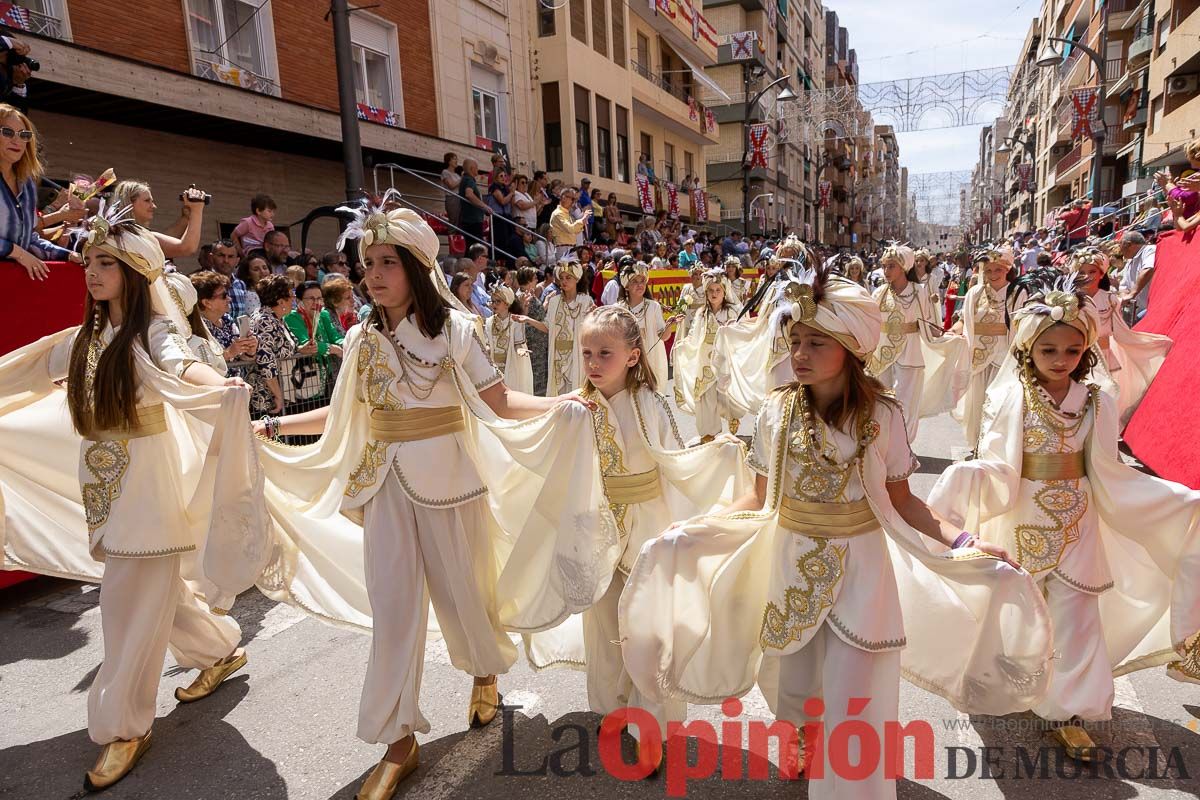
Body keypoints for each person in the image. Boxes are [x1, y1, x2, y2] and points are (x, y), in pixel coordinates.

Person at [621, 266, 1052, 800]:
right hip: (791, 564)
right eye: (795, 340)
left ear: (850, 348)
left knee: (856, 698)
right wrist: (698, 528)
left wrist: (963, 542)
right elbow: (758, 497)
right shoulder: (774, 413)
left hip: (863, 576)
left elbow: (902, 499)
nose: (799, 353)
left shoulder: (883, 417)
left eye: (816, 342)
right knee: (798, 685)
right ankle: (804, 738)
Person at [248, 203, 596, 798]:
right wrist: (276, 428)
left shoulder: (457, 332)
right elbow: (342, 414)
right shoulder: (360, 338)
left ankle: (484, 670)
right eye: (368, 263)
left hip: (450, 484)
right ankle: (398, 740)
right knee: (394, 611)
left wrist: (567, 405)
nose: (375, 274)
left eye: (388, 262)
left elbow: (501, 400)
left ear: (415, 266)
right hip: (382, 486)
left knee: (464, 594)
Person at [0, 211, 269, 790]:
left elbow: (183, 365)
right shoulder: (84, 339)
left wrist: (220, 387)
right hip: (104, 487)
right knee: (157, 596)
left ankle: (124, 725)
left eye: (105, 263)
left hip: (146, 491)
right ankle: (220, 650)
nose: (91, 272)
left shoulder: (153, 333)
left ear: (132, 271)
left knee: (122, 607)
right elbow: (22, 375)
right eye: (89, 262)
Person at [928, 274, 1200, 761]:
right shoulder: (1014, 398)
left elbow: (1108, 471)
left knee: (1077, 616)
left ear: (1086, 352)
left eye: (1072, 351)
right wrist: (964, 480)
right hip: (1021, 513)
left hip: (1079, 521)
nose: (1060, 360)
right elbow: (998, 462)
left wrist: (1175, 500)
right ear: (1028, 349)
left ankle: (1069, 714)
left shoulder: (1097, 400)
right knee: (1021, 607)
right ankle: (1016, 677)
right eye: (1049, 350)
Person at [522, 305, 750, 759]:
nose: (592, 362)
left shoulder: (651, 403)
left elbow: (675, 463)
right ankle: (613, 712)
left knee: (648, 629)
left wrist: (715, 458)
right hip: (595, 530)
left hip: (647, 525)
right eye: (587, 352)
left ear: (632, 355)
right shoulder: (574, 408)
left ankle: (652, 727)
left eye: (605, 352)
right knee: (605, 630)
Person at [866, 244, 966, 442]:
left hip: (910, 353)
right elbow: (870, 322)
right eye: (884, 266)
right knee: (880, 401)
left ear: (903, 267)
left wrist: (948, 336)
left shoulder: (918, 291)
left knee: (906, 403)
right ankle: (882, 441)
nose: (886, 271)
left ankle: (902, 444)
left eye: (891, 266)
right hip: (882, 355)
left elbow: (927, 322)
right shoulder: (879, 293)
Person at [1072, 247, 1172, 426]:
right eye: (1082, 271)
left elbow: (1120, 330)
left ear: (1102, 274)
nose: (1087, 275)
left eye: (1092, 271)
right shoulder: (1071, 299)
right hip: (1077, 355)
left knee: (1104, 394)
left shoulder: (1110, 299)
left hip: (1103, 356)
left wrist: (1150, 344)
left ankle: (1103, 432)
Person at [0, 104, 80, 278]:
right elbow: (22, 250)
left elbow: (29, 240)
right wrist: (19, 253)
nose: (17, 141)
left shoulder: (27, 183)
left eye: (24, 135)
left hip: (14, 283)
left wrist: (68, 255)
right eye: (7, 132)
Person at [950, 248, 1017, 452]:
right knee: (978, 405)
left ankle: (996, 447)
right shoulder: (975, 293)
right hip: (978, 357)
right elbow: (964, 320)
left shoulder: (1016, 293)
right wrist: (953, 332)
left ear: (1007, 269)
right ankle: (979, 445)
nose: (993, 274)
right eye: (988, 270)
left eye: (998, 269)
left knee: (1000, 404)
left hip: (1005, 357)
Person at [672, 268, 743, 442]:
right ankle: (708, 432)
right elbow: (693, 336)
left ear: (724, 291)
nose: (714, 293)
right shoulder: (701, 313)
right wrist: (683, 345)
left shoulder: (732, 312)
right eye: (710, 290)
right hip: (705, 360)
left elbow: (739, 333)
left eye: (718, 290)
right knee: (706, 396)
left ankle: (733, 416)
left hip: (726, 360)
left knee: (727, 394)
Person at [247, 275, 305, 416]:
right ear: (280, 301)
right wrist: (278, 395)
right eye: (292, 295)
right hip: (267, 398)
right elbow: (266, 362)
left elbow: (286, 346)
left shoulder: (276, 318)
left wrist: (302, 348)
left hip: (281, 389)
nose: (294, 299)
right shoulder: (265, 321)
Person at [112, 178, 207, 261]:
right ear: (129, 203)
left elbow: (165, 238)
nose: (153, 206)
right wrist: (197, 209)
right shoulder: (133, 237)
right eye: (147, 201)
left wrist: (187, 217)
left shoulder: (120, 234)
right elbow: (187, 248)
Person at [616, 262, 676, 389]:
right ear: (626, 286)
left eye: (642, 281)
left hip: (650, 360)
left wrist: (669, 324)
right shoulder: (619, 308)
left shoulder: (653, 306)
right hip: (626, 360)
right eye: (635, 281)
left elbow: (663, 337)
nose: (640, 285)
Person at [542, 259, 595, 395]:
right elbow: (547, 327)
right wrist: (528, 320)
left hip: (577, 354)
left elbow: (592, 329)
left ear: (577, 279)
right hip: (557, 357)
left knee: (577, 392)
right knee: (559, 395)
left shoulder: (585, 301)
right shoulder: (554, 302)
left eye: (568, 278)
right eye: (562, 278)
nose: (564, 281)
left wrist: (593, 316)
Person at [285, 279, 345, 395]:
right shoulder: (291, 317)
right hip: (304, 378)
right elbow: (308, 344)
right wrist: (332, 349)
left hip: (327, 376)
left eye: (319, 298)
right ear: (298, 300)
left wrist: (347, 343)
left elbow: (335, 337)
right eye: (311, 299)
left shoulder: (324, 314)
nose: (316, 302)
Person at [190, 270, 258, 366]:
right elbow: (202, 361)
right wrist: (229, 353)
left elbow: (240, 357)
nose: (229, 299)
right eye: (224, 296)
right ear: (207, 303)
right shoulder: (196, 327)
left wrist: (249, 351)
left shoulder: (227, 319)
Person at [484, 285, 533, 393]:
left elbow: (518, 343)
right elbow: (487, 342)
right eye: (492, 301)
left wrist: (520, 349)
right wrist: (486, 349)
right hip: (494, 368)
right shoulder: (489, 322)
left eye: (497, 301)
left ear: (507, 304)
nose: (494, 304)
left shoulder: (516, 321)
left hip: (511, 365)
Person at [515, 266, 548, 395]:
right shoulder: (520, 298)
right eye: (534, 278)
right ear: (529, 280)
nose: (537, 280)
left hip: (539, 344)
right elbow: (520, 321)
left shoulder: (530, 295)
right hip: (531, 344)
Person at [550, 187, 590, 261]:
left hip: (571, 248)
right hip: (563, 249)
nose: (573, 202)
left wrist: (583, 221)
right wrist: (583, 219)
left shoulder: (566, 214)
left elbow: (575, 231)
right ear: (563, 198)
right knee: (566, 272)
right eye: (572, 199)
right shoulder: (558, 214)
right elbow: (570, 229)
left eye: (575, 200)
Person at [458, 158, 490, 248]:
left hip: (470, 219)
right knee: (475, 247)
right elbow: (469, 194)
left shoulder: (465, 179)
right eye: (476, 168)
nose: (478, 170)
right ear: (472, 169)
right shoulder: (469, 180)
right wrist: (485, 206)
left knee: (471, 246)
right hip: (473, 221)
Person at [235, 250, 270, 316]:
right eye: (256, 269)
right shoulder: (250, 296)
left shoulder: (271, 293)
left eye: (265, 268)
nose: (263, 272)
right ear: (248, 275)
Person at [440, 152, 462, 227]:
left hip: (459, 198)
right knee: (453, 221)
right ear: (449, 161)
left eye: (457, 159)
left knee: (459, 222)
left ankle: (458, 238)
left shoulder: (457, 175)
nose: (456, 161)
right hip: (452, 198)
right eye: (454, 159)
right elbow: (451, 185)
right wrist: (462, 178)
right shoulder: (445, 172)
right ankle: (452, 237)